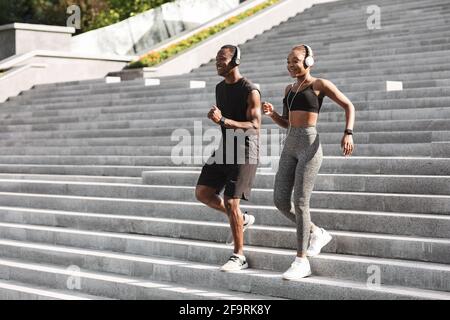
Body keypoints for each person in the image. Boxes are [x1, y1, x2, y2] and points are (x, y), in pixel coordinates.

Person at [262, 44, 355, 280]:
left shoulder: (319, 85)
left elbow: (348, 105)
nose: (291, 65)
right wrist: (273, 114)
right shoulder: (289, 89)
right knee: (280, 201)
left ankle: (301, 261)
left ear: (309, 61)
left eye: (296, 60)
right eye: (288, 61)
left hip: (309, 146)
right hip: (289, 145)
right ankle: (316, 232)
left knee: (301, 202)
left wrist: (348, 133)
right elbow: (288, 123)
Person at [195, 45, 262, 272]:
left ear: (236, 60)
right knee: (203, 192)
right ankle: (241, 219)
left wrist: (223, 121)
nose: (218, 62)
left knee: (232, 201)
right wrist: (221, 121)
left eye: (222, 58)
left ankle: (239, 255)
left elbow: (255, 125)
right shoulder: (219, 88)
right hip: (226, 148)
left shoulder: (250, 90)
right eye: (216, 58)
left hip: (245, 150)